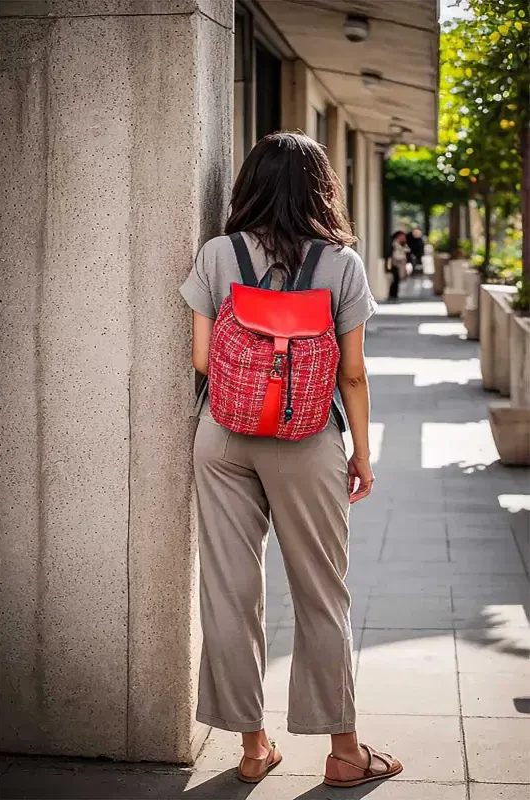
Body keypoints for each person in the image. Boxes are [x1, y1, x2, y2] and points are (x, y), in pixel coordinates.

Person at [180, 132, 403, 789]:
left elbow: (200, 360)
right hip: (307, 440)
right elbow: (353, 374)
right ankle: (342, 753)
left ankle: (251, 749)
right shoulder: (341, 264)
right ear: (321, 188)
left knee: (228, 590)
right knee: (320, 593)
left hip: (222, 435)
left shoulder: (218, 254)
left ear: (247, 185)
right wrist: (361, 452)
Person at [387, 230, 407, 301]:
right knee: (395, 280)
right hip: (395, 264)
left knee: (396, 280)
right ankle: (393, 295)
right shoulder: (395, 244)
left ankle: (394, 295)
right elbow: (396, 255)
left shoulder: (399, 244)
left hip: (397, 264)